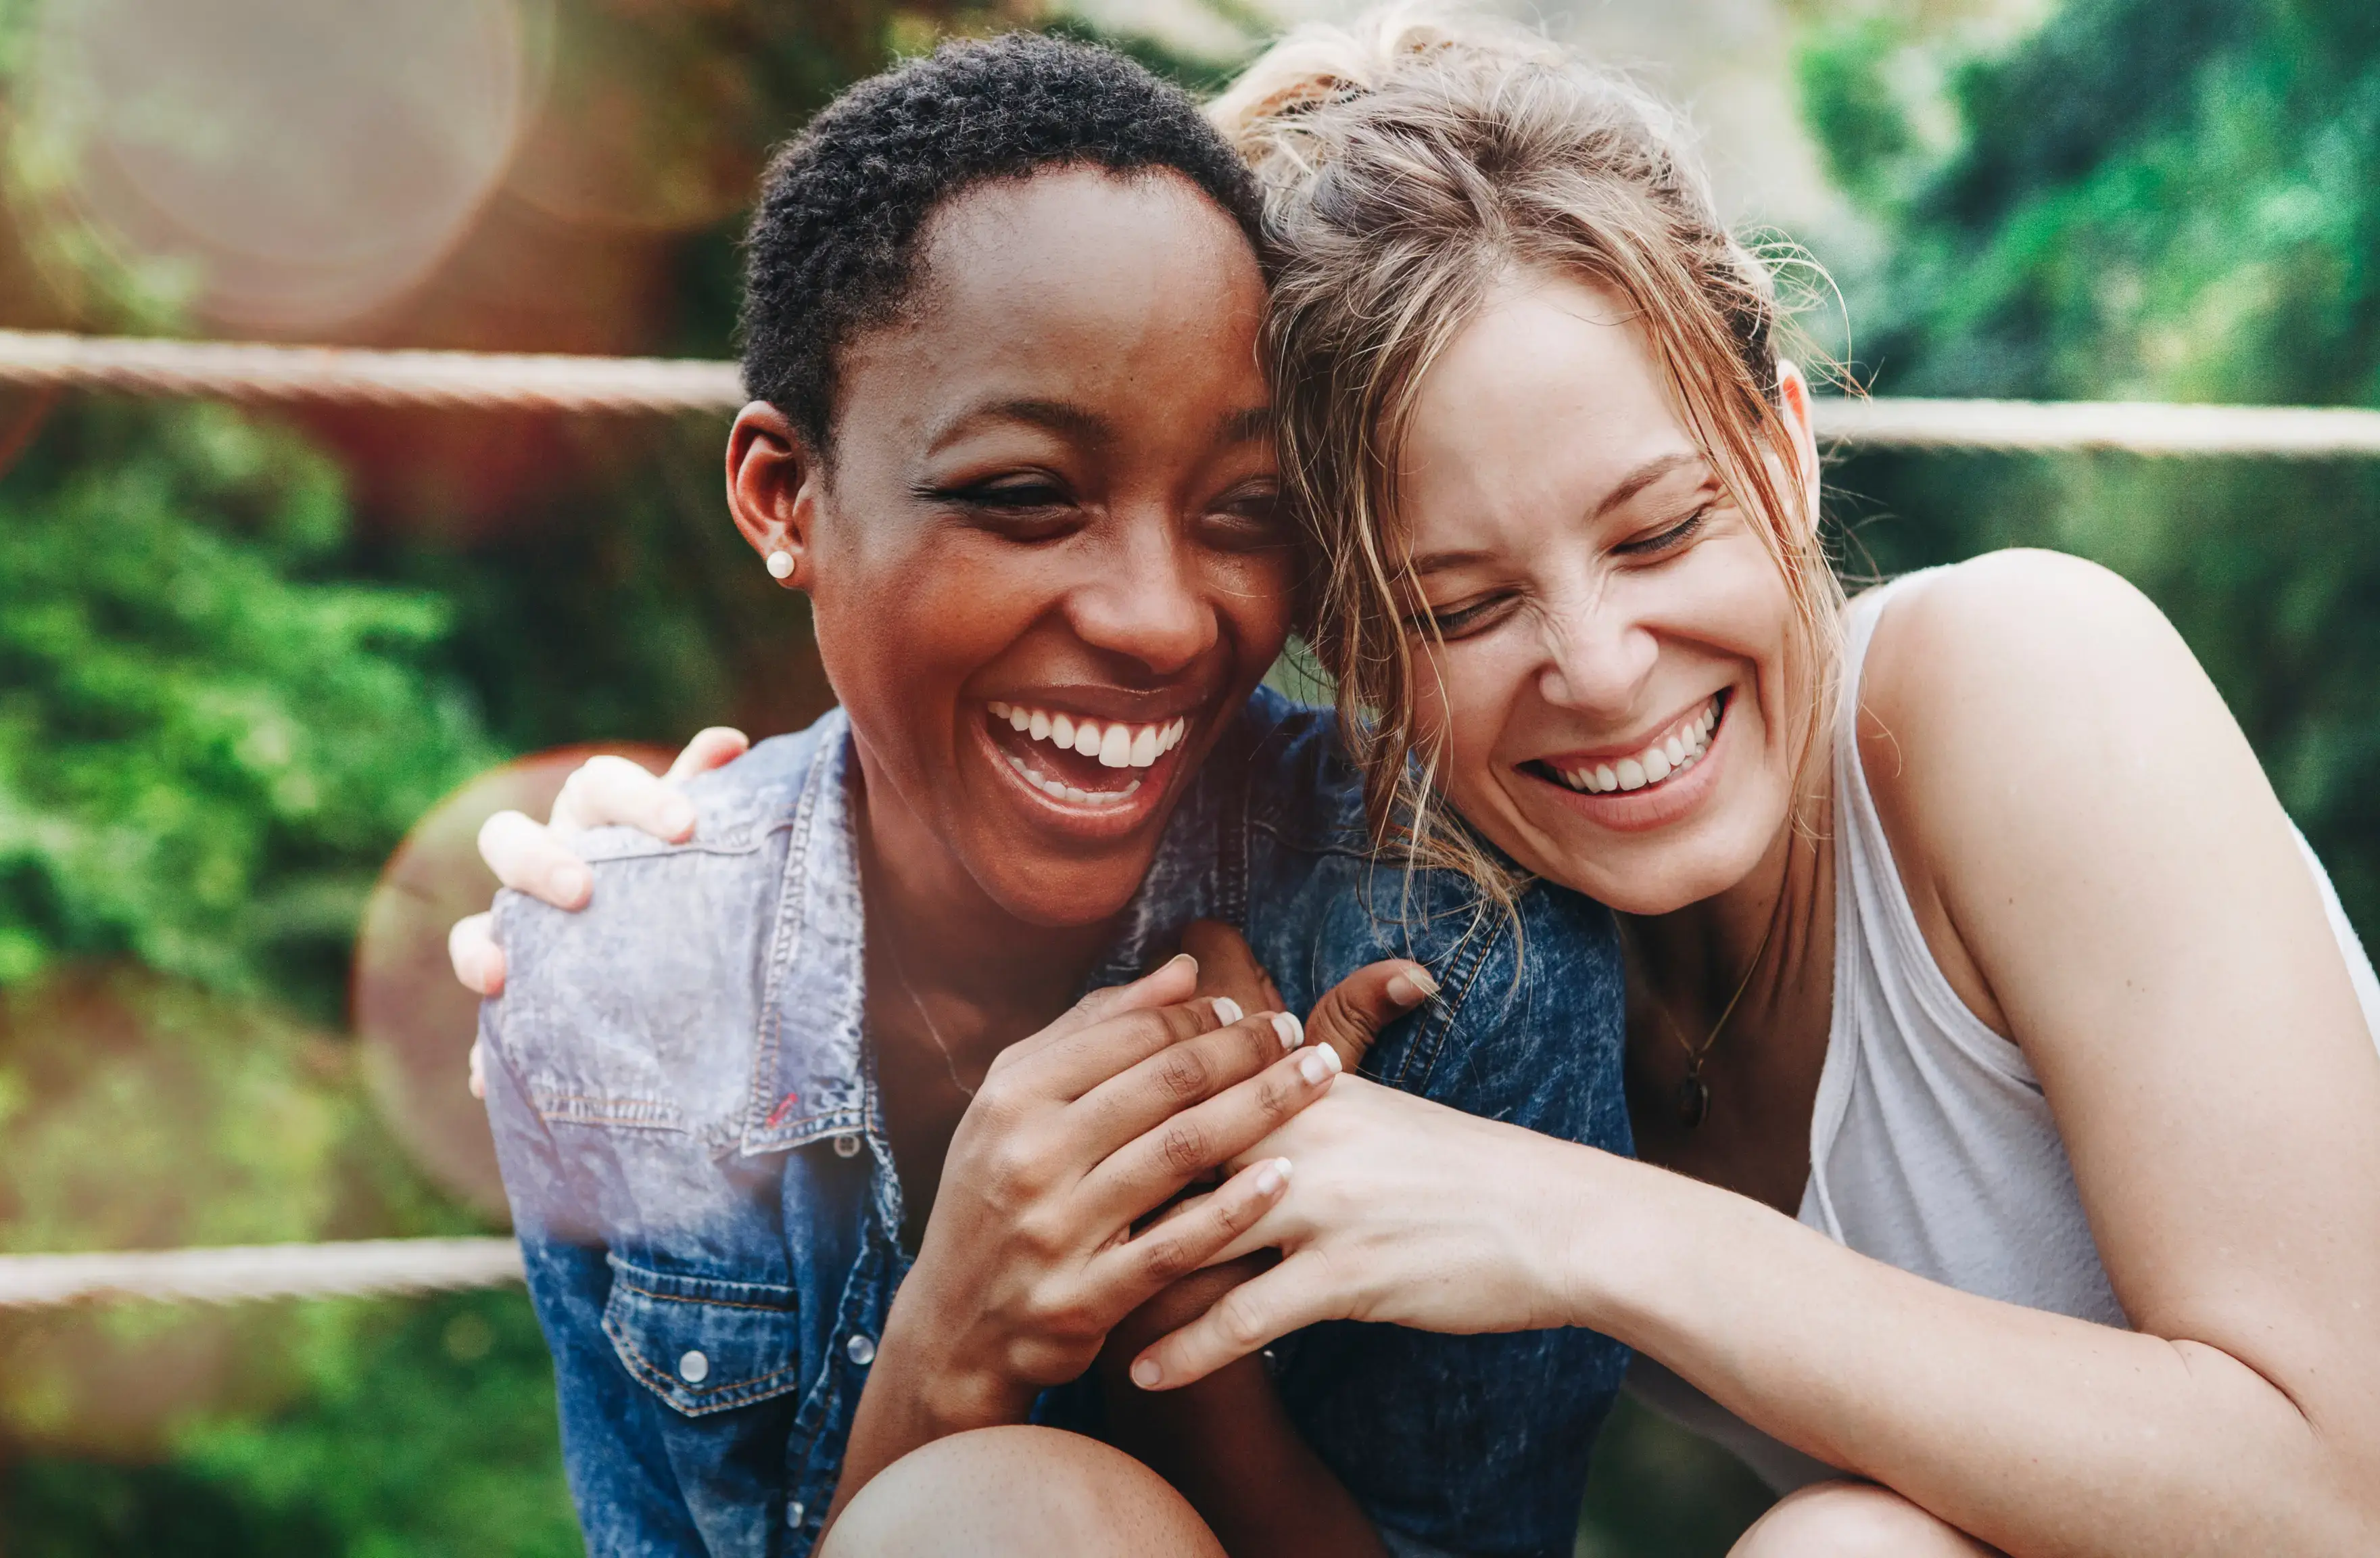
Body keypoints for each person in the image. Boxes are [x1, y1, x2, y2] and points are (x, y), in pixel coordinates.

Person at [1097, 11, 2380, 1556]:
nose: (1602, 666)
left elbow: (2334, 1489)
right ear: (1350, 653)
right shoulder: (1471, 975)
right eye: (1462, 607)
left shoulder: (2019, 682)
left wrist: (1585, 1228)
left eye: (1653, 533)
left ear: (1779, 445)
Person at [460, 34, 1632, 1558]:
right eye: (1023, 497)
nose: (1157, 617)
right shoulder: (606, 994)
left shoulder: (1449, 946)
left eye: (1245, 511)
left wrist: (1184, 1324)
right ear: (781, 496)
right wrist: (952, 1343)